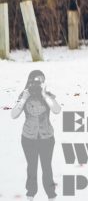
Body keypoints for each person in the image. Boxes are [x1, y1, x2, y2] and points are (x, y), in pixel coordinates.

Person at [11, 69, 61, 200]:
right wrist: (24, 98)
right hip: (28, 138)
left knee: (47, 167)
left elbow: (56, 110)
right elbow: (13, 115)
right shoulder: (24, 95)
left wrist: (45, 95)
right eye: (36, 81)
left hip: (47, 138)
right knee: (31, 167)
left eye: (42, 81)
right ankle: (30, 195)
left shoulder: (47, 95)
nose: (39, 84)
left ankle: (51, 195)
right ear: (29, 82)